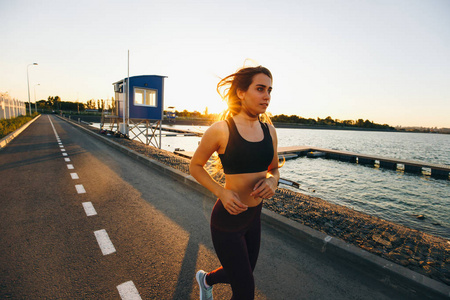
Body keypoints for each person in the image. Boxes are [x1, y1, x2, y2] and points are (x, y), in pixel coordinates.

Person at [189, 65, 280, 300]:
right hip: (227, 220)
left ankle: (206, 279)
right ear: (241, 92)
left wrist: (273, 182)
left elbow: (274, 170)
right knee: (245, 291)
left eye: (269, 90)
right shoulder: (221, 130)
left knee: (242, 273)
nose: (267, 96)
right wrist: (221, 192)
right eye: (260, 89)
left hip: (254, 217)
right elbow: (195, 166)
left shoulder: (269, 131)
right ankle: (207, 280)